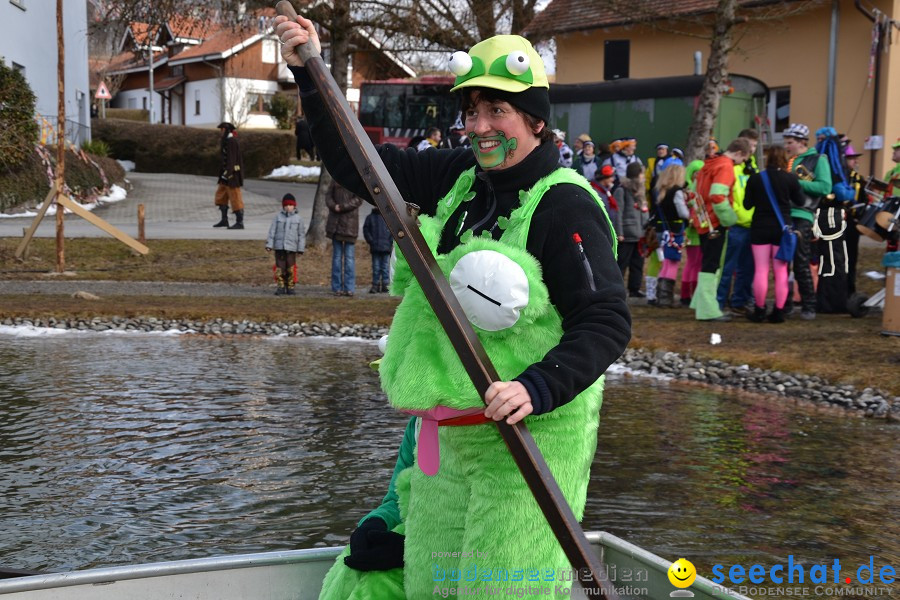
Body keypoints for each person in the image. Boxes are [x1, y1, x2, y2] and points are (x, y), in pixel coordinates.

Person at [276, 16, 630, 599]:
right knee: (431, 587)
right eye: (472, 113)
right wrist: (311, 75)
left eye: (498, 112)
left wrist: (536, 387)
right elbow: (357, 164)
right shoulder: (461, 177)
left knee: (502, 592)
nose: (481, 128)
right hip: (450, 438)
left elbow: (608, 321)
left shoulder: (565, 206)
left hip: (530, 444)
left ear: (536, 120)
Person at [689, 137, 752, 321]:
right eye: (744, 158)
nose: (743, 163)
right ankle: (708, 310)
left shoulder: (708, 164)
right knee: (712, 265)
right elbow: (717, 196)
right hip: (715, 223)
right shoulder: (725, 166)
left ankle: (700, 303)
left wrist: (699, 216)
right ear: (740, 153)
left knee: (707, 262)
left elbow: (693, 193)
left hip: (703, 221)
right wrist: (730, 219)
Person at [743, 145, 805, 323]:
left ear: (767, 159)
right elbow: (800, 201)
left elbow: (747, 205)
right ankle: (779, 311)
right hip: (782, 228)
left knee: (761, 269)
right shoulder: (791, 179)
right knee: (781, 271)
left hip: (760, 227)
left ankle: (760, 309)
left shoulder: (755, 179)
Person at [783, 122, 832, 320]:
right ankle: (784, 303)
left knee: (801, 260)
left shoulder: (818, 159)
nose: (787, 146)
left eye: (790, 142)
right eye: (786, 142)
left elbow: (825, 187)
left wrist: (794, 182)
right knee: (783, 261)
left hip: (803, 213)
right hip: (785, 214)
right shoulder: (789, 160)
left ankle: (809, 305)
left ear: (802, 142)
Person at [716, 131, 759, 315]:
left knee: (747, 268)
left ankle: (739, 301)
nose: (752, 149)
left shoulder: (752, 167)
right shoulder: (730, 166)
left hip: (751, 222)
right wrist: (732, 216)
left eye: (755, 146)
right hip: (735, 222)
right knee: (727, 266)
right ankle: (718, 302)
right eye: (749, 145)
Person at [653, 164, 690, 308]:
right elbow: (682, 212)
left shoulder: (660, 191)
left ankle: (660, 296)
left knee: (666, 263)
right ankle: (666, 298)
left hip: (662, 229)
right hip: (675, 230)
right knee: (673, 263)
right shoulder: (677, 192)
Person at [614, 162, 649, 298]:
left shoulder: (640, 191)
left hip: (639, 234)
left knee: (638, 263)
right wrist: (619, 232)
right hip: (627, 234)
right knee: (622, 263)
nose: (643, 177)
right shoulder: (621, 190)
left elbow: (643, 210)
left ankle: (634, 288)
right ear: (636, 175)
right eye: (641, 174)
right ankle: (618, 289)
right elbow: (619, 213)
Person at [326, 180, 363, 296]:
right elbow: (328, 197)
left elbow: (358, 199)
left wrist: (342, 207)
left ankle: (349, 288)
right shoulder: (335, 179)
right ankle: (336, 287)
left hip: (350, 226)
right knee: (336, 259)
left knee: (349, 259)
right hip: (335, 225)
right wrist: (334, 206)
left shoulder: (356, 179)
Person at [265, 193, 306, 295]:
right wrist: (269, 244)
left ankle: (290, 286)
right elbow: (272, 231)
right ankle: (281, 286)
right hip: (279, 247)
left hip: (291, 248)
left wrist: (301, 248)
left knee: (291, 268)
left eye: (290, 205)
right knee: (280, 268)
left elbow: (301, 235)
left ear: (294, 206)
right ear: (283, 206)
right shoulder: (277, 217)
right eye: (286, 205)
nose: (288, 207)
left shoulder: (298, 219)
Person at [213, 122, 244, 229]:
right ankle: (224, 220)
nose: (220, 132)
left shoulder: (232, 141)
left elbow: (232, 159)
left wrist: (228, 174)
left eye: (222, 130)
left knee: (235, 198)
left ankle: (239, 222)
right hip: (225, 175)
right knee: (220, 196)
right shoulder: (225, 141)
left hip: (232, 176)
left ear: (226, 130)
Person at [843, 144, 865, 296]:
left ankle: (850, 289)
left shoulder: (859, 179)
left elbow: (864, 201)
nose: (855, 162)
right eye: (851, 159)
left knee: (851, 257)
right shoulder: (838, 177)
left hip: (852, 222)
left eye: (855, 159)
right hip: (837, 221)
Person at [363, 206, 392, 293]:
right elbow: (366, 230)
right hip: (375, 247)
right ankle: (375, 285)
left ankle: (385, 285)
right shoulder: (370, 217)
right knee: (376, 267)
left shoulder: (388, 217)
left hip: (386, 247)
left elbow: (392, 231)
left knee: (385, 267)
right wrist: (371, 241)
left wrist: (389, 242)